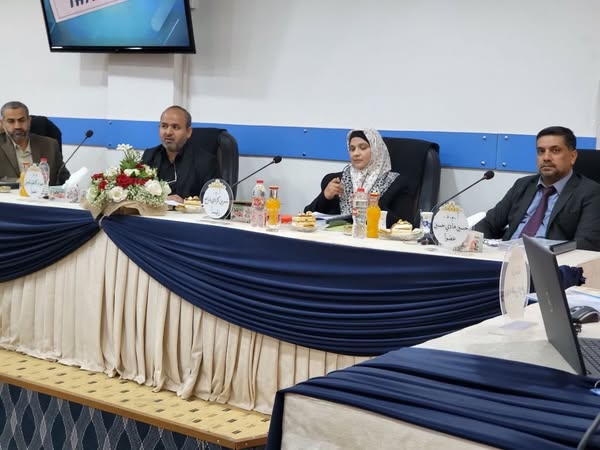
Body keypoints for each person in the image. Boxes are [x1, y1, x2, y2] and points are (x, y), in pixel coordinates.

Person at [473, 126, 600, 251]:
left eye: (555, 151)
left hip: (550, 261)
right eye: (541, 151)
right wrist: (475, 244)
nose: (546, 158)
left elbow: (586, 244)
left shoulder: (590, 192)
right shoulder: (523, 185)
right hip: (506, 256)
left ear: (572, 156)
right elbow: (487, 224)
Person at [304, 128, 413, 227]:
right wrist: (325, 196)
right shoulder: (336, 181)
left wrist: (373, 206)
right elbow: (306, 217)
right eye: (352, 149)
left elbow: (406, 224)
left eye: (363, 148)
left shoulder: (397, 183)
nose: (356, 153)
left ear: (376, 150)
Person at [142, 105, 221, 203]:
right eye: (164, 126)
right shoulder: (149, 155)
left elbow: (215, 203)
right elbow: (138, 193)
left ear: (188, 132)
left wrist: (185, 204)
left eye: (175, 127)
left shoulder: (206, 162)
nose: (168, 132)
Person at [0, 101, 69, 185]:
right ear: (2, 123)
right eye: (11, 121)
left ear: (29, 121)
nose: (17, 126)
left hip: (44, 193)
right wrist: (22, 181)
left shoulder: (50, 145)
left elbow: (65, 179)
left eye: (22, 120)